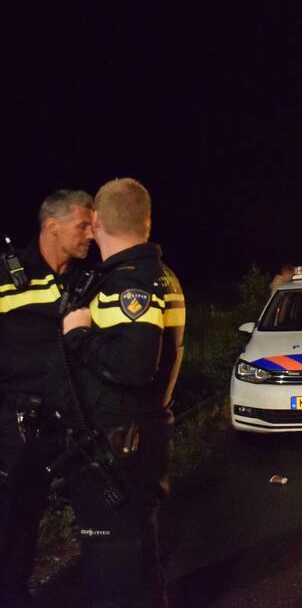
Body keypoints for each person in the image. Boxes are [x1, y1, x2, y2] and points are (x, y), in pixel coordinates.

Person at [61, 178, 184, 606]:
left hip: (119, 446)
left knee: (114, 574)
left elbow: (133, 366)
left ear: (96, 220)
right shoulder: (162, 276)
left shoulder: (127, 283)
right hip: (139, 437)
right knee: (138, 564)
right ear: (146, 221)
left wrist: (77, 335)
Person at [0, 189, 94, 606]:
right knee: (11, 526)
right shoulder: (7, 278)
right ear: (51, 226)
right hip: (14, 431)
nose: (91, 234)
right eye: (83, 225)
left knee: (37, 522)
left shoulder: (84, 281)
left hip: (68, 425)